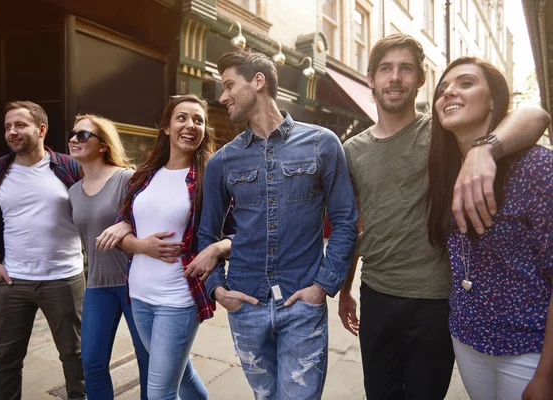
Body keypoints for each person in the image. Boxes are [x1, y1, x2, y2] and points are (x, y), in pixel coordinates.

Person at [339, 34, 550, 399]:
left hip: (437, 302)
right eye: (385, 69)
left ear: (421, 79)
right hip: (379, 295)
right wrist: (345, 289)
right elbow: (354, 223)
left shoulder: (442, 134)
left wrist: (485, 150)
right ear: (370, 79)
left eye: (406, 69)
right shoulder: (353, 150)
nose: (395, 77)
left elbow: (534, 114)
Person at [195, 50, 358, 399]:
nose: (222, 97)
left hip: (303, 305)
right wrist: (218, 291)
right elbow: (207, 233)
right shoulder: (223, 160)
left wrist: (323, 286)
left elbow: (346, 221)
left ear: (258, 81)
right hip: (246, 305)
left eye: (228, 85)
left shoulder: (322, 143)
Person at [426, 56, 553, 400]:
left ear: (494, 101)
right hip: (467, 341)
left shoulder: (536, 167)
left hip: (527, 347)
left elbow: (538, 113)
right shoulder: (443, 168)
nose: (449, 91)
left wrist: (546, 373)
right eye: (442, 88)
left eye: (465, 83)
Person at [117, 94, 232, 399]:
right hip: (140, 295)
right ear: (166, 126)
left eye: (198, 120)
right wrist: (141, 246)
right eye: (182, 117)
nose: (190, 125)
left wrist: (216, 250)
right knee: (182, 378)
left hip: (179, 298)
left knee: (159, 392)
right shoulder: (143, 175)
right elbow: (123, 229)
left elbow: (241, 233)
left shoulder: (210, 178)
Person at [0, 101, 85, 400]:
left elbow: (95, 208)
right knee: (5, 361)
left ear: (41, 129)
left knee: (76, 356)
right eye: (8, 126)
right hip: (11, 282)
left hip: (64, 278)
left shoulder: (69, 166)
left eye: (20, 125)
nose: (12, 132)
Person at [67, 114, 148, 399]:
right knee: (92, 363)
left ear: (103, 145)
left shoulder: (125, 178)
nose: (74, 139)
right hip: (97, 286)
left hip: (134, 285)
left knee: (148, 362)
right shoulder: (74, 192)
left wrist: (126, 223)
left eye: (83, 135)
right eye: (73, 134)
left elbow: (150, 218)